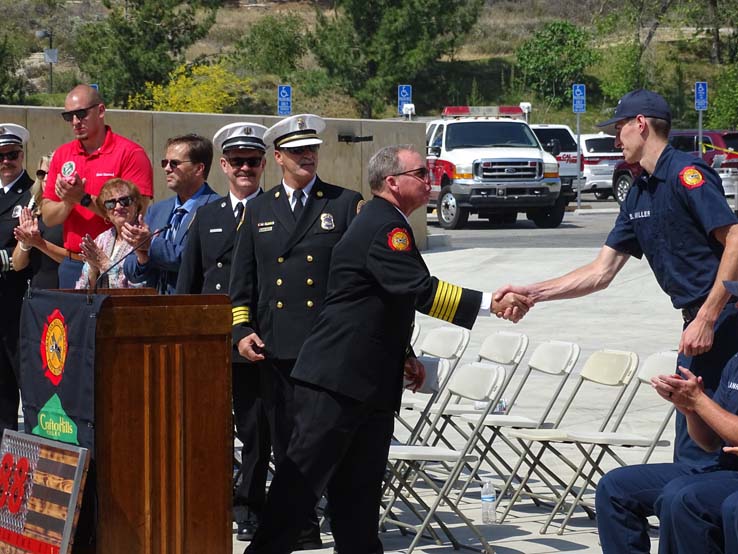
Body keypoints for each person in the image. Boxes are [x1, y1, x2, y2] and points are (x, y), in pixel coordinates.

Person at [244, 144, 530, 554]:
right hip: (336, 383)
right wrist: (491, 303)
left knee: (358, 499)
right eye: (421, 174)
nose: (432, 182)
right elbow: (419, 290)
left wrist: (405, 353)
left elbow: (383, 302)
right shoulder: (384, 226)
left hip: (366, 384)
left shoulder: (385, 221)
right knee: (298, 491)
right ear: (393, 182)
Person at [495, 89, 738, 469]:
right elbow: (600, 272)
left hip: (725, 320)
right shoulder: (638, 193)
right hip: (696, 326)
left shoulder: (687, 174)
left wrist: (707, 317)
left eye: (619, 127)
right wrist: (533, 292)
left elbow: (735, 240)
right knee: (691, 450)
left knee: (716, 446)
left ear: (641, 125)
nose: (614, 138)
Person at [229, 114, 364, 550]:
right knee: (286, 441)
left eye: (313, 149)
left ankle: (343, 523)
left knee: (330, 438)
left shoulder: (344, 204)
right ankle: (300, 527)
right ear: (279, 157)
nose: (308, 156)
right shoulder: (258, 209)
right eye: (298, 151)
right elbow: (242, 283)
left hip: (328, 345)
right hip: (277, 346)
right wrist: (242, 330)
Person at [176, 122, 271, 541]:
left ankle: (249, 505)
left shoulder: (276, 213)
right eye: (237, 162)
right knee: (206, 426)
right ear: (225, 167)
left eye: (252, 162)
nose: (244, 169)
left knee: (254, 430)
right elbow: (189, 282)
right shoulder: (207, 215)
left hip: (253, 340)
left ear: (264, 165)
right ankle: (208, 497)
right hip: (211, 342)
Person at [595, 339, 738, 553]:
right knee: (614, 486)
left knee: (685, 498)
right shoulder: (735, 363)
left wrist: (699, 400)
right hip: (722, 466)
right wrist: (689, 408)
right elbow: (709, 442)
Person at [41, 84, 154, 288]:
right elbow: (48, 218)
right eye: (69, 117)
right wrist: (68, 203)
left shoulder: (130, 153)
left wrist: (83, 199)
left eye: (81, 114)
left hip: (116, 264)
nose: (75, 122)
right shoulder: (62, 154)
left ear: (101, 111)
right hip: (72, 264)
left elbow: (137, 213)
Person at [122, 134, 218, 293]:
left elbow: (200, 262)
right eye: (164, 162)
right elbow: (131, 271)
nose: (166, 169)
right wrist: (142, 257)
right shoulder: (157, 210)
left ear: (198, 168)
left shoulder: (216, 209)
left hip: (194, 307)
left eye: (174, 163)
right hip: (156, 310)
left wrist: (151, 245)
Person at [0, 124, 33, 432]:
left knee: (27, 382)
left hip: (18, 305)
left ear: (22, 155)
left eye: (12, 154)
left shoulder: (31, 195)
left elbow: (24, 250)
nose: (6, 161)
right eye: (1, 156)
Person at [74, 178, 145, 289]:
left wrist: (105, 264)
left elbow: (141, 286)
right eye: (110, 204)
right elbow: (83, 288)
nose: (118, 207)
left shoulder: (144, 237)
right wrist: (93, 269)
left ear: (136, 205)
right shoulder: (101, 239)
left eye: (125, 201)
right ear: (105, 212)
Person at [12, 153, 66, 289]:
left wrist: (39, 243)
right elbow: (18, 265)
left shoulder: (73, 211)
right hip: (37, 295)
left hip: (65, 292)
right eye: (42, 173)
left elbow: (77, 261)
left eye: (53, 172)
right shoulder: (35, 212)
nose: (47, 178)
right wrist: (26, 243)